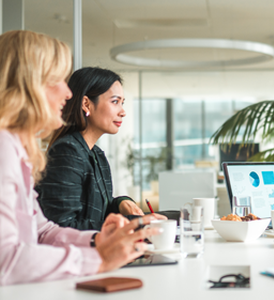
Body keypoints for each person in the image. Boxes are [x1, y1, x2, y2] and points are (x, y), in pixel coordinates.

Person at [0, 30, 159, 285]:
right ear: (26, 85)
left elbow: (42, 230)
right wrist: (99, 259)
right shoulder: (5, 149)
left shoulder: (18, 151)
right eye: (56, 79)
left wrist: (99, 240)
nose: (67, 92)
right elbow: (5, 260)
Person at [35, 67, 164, 230]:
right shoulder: (67, 151)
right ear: (86, 104)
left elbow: (97, 213)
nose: (123, 112)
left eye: (122, 103)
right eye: (115, 101)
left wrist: (120, 203)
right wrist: (133, 223)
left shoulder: (96, 154)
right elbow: (63, 226)